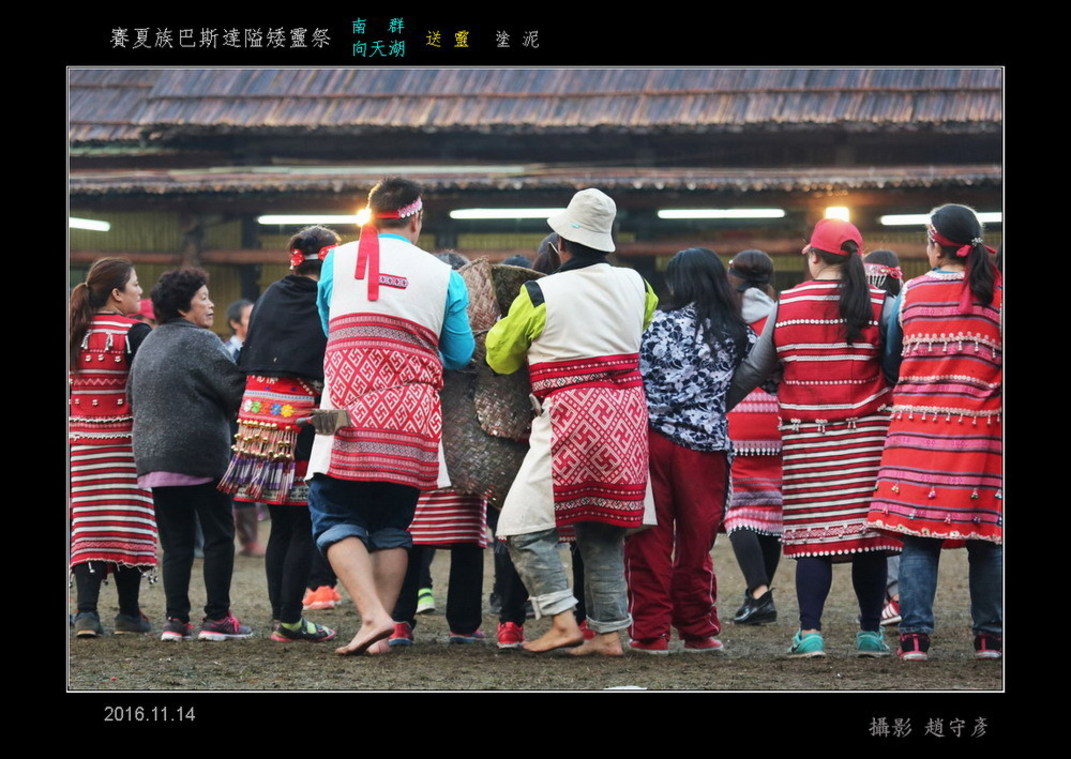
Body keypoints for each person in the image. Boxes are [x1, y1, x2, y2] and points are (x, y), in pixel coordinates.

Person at [306, 177, 474, 656]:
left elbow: (328, 324)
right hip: (414, 416)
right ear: (416, 218)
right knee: (393, 524)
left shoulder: (335, 259)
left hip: (341, 410)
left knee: (331, 509)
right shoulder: (447, 276)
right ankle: (380, 632)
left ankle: (372, 616)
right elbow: (460, 353)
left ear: (370, 214)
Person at [486, 188, 658, 656]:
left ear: (561, 243)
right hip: (625, 414)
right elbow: (639, 324)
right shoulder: (638, 285)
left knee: (519, 526)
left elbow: (500, 357)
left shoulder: (538, 292)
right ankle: (608, 634)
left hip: (569, 417)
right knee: (602, 528)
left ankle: (562, 618)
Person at [728, 218, 901, 658]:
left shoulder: (789, 303)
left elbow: (753, 370)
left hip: (809, 443)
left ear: (815, 257)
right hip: (868, 441)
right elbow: (896, 368)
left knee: (813, 540)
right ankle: (869, 634)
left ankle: (810, 634)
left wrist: (714, 406)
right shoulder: (881, 303)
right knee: (871, 543)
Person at [867, 204, 1002, 661]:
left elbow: (890, 361)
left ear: (933, 243)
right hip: (980, 434)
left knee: (917, 539)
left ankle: (914, 641)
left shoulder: (910, 295)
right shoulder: (998, 293)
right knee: (984, 537)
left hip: (914, 431)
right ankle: (989, 641)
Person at [625, 247, 752, 654]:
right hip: (707, 447)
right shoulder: (735, 331)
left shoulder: (651, 324)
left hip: (652, 441)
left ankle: (650, 631)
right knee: (697, 544)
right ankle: (698, 629)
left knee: (649, 540)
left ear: (676, 282)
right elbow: (765, 376)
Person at [218, 226, 341, 643]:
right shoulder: (324, 299)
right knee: (302, 521)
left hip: (258, 419)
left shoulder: (271, 294)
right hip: (298, 417)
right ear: (328, 262)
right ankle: (289, 621)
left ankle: (282, 617)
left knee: (283, 524)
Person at [128, 267, 251, 641]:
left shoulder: (150, 341)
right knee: (218, 535)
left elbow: (133, 396)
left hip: (153, 458)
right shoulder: (202, 341)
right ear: (184, 307)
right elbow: (237, 392)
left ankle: (175, 621)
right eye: (203, 297)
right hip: (199, 455)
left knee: (176, 542)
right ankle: (217, 619)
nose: (210, 304)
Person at [69, 258, 158, 637]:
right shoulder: (136, 332)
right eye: (136, 285)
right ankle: (128, 614)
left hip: (81, 447)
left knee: (88, 523)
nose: (141, 291)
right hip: (124, 446)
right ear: (117, 294)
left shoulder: (75, 332)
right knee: (130, 522)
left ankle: (86, 613)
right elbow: (148, 390)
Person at [723, 249, 784, 626]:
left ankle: (760, 593)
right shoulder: (781, 312)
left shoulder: (726, 316)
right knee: (770, 511)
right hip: (778, 421)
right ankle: (756, 595)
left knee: (740, 511)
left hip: (739, 419)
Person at [863, 248, 905, 627]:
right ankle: (897, 592)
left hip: (875, 419)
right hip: (904, 416)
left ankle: (896, 593)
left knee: (885, 509)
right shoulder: (901, 304)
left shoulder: (878, 308)